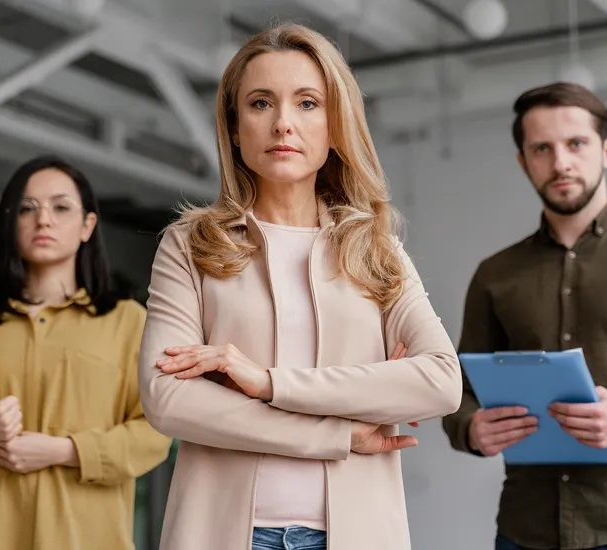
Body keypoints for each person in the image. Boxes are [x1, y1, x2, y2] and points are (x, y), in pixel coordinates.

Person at [137, 23, 462, 550]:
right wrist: (343, 424)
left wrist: (266, 382)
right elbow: (167, 399)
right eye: (261, 103)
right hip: (222, 535)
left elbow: (442, 381)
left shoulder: (376, 249)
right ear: (235, 128)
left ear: (334, 124)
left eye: (308, 103)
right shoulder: (189, 246)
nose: (284, 123)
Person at [442, 82, 607, 550]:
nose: (560, 163)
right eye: (541, 149)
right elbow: (460, 392)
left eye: (576, 144)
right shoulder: (495, 275)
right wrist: (471, 428)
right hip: (524, 528)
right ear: (523, 162)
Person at [0, 155, 171, 549]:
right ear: (9, 221)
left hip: (87, 538)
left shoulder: (129, 323)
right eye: (27, 208)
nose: (43, 219)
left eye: (61, 207)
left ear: (88, 226)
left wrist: (64, 450)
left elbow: (155, 435)